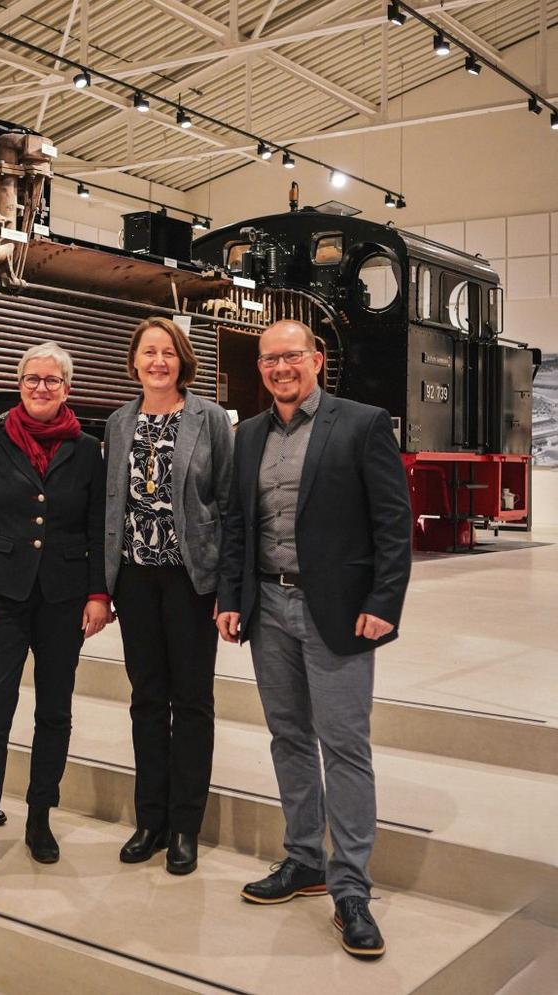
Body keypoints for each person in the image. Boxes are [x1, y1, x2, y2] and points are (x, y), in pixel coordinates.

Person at [216, 319, 412, 959]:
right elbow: (238, 524)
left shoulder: (360, 424)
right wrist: (230, 598)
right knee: (289, 738)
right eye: (269, 359)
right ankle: (305, 859)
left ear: (317, 359)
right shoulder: (248, 435)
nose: (281, 368)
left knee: (344, 747)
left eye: (292, 356)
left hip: (338, 612)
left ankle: (351, 888)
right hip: (267, 606)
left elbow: (393, 521)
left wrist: (384, 602)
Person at [0, 342, 111, 887]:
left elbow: (96, 526)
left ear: (67, 388)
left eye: (52, 380)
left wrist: (98, 593)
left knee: (54, 714)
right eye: (32, 379)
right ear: (19, 386)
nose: (41, 387)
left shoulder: (87, 449)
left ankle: (40, 819)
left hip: (64, 599)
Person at [104, 316, 233, 876]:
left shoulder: (210, 419)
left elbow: (228, 503)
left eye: (168, 352)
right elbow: (111, 504)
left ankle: (185, 827)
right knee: (147, 699)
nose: (158, 362)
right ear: (134, 361)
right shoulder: (118, 422)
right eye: (148, 352)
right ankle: (150, 820)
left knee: (193, 701)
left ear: (182, 360)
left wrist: (228, 585)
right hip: (135, 579)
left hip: (190, 579)